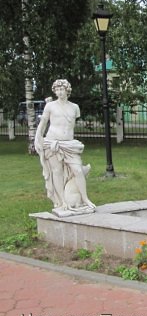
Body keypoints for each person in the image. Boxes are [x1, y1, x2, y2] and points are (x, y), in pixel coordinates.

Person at [34, 79, 95, 214]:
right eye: (57, 90)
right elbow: (43, 123)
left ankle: (85, 199)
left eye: (62, 89)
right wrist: (37, 139)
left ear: (67, 90)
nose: (59, 92)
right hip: (53, 143)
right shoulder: (50, 106)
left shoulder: (74, 107)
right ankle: (62, 202)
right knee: (57, 172)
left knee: (78, 170)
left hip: (69, 144)